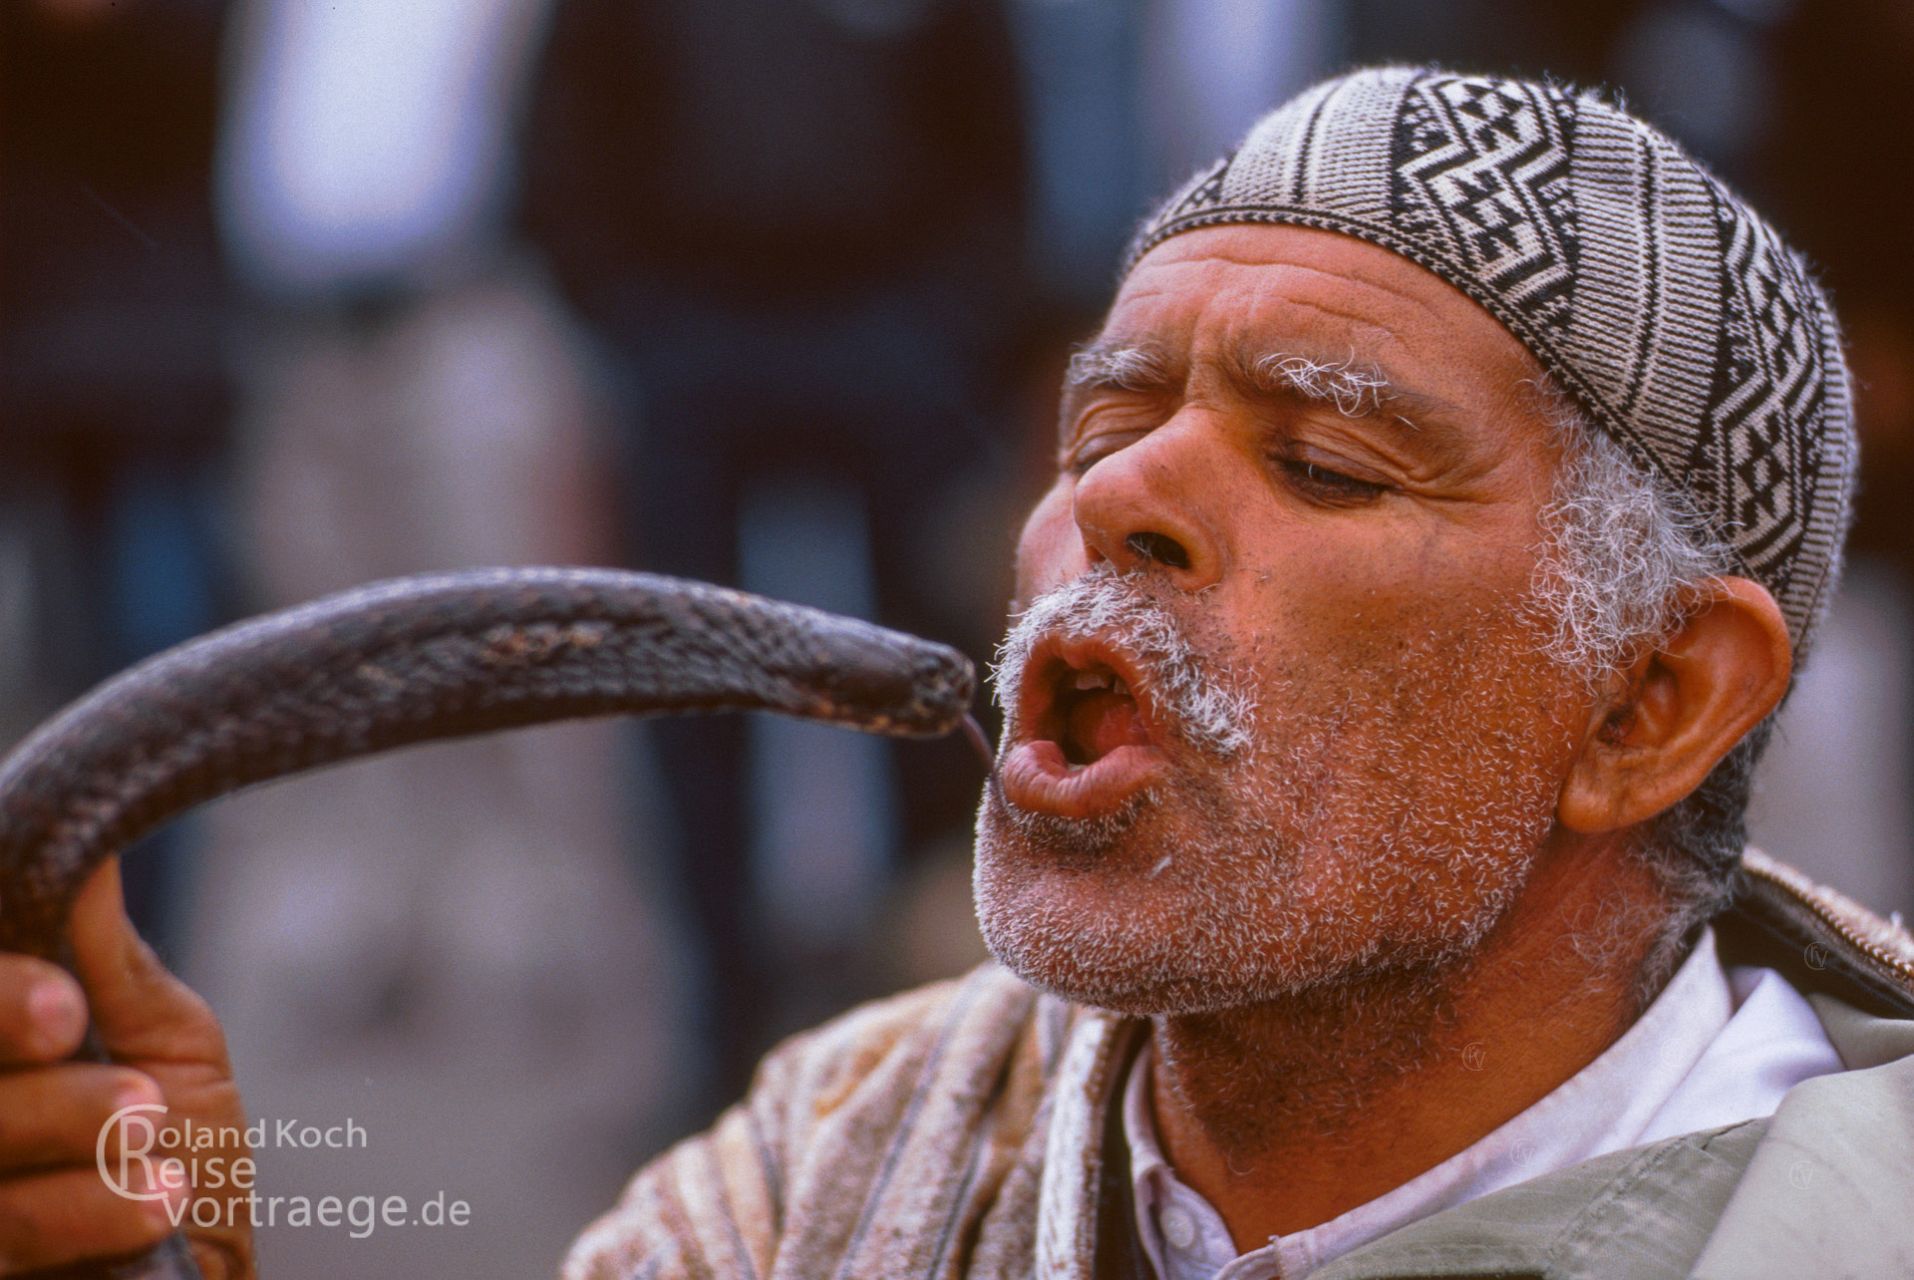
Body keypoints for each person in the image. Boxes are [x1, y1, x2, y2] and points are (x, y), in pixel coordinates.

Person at [3, 65, 1912, 1279]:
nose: (1118, 499)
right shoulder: (812, 1179)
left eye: (1323, 459)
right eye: (1100, 428)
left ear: (1652, 702)